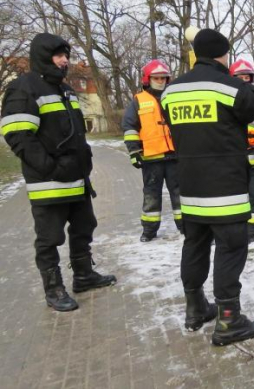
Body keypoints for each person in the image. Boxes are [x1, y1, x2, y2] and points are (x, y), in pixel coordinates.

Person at [161, 28, 254, 345]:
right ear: (223, 54)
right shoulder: (229, 88)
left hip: (189, 188)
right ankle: (229, 320)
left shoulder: (171, 92)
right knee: (230, 249)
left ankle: (195, 308)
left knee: (195, 245)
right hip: (225, 187)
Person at [1, 33, 116, 311]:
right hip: (48, 183)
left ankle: (84, 276)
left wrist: (85, 159)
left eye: (65, 55)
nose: (65, 60)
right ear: (42, 56)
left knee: (84, 229)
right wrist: (51, 168)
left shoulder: (65, 89)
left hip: (77, 179)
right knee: (50, 238)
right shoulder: (24, 88)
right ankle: (53, 289)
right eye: (58, 55)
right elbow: (17, 135)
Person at [122, 60, 182, 242]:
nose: (161, 81)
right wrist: (134, 152)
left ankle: (185, 226)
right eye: (157, 77)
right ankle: (149, 230)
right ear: (148, 79)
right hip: (151, 158)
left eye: (164, 77)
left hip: (174, 156)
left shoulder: (173, 98)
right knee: (151, 195)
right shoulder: (138, 101)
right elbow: (129, 127)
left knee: (179, 194)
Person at [229, 59, 254, 242]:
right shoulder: (226, 99)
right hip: (235, 158)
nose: (243, 79)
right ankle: (237, 228)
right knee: (235, 196)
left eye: (246, 76)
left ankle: (251, 232)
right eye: (239, 76)